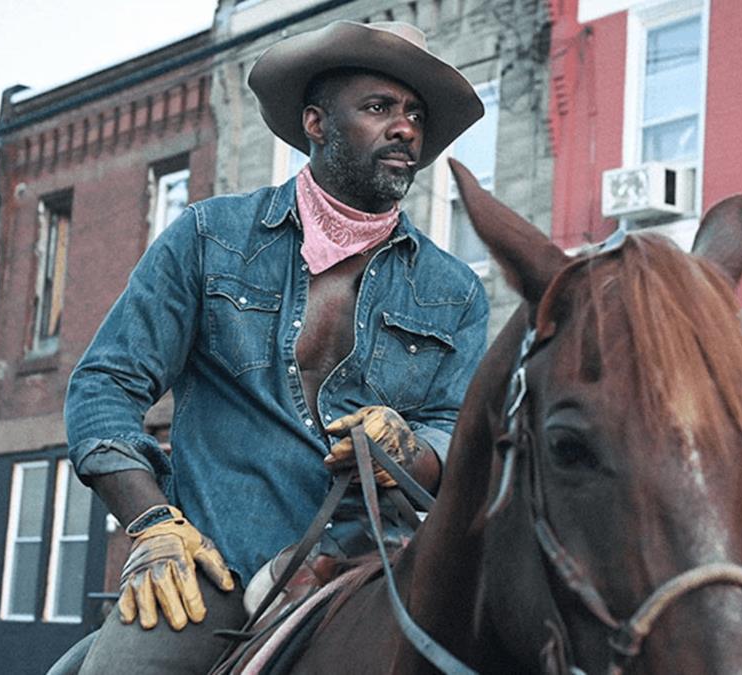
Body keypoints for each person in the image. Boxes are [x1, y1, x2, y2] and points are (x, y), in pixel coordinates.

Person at [58, 21, 488, 673]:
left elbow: (458, 428)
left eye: (414, 114)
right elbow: (105, 386)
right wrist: (150, 524)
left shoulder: (455, 290)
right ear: (316, 123)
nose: (405, 128)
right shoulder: (209, 236)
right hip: (219, 565)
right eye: (379, 107)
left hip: (384, 573)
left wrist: (411, 447)